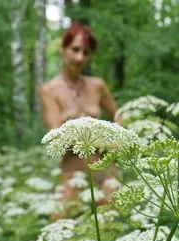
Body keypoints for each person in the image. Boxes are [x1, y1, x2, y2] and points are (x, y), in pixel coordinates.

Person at [38, 21, 120, 219]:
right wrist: (100, 139)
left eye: (86, 52)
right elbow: (56, 135)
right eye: (75, 50)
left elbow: (118, 115)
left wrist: (117, 140)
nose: (80, 57)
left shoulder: (98, 86)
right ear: (63, 49)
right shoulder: (49, 90)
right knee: (61, 233)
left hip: (107, 173)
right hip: (73, 175)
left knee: (107, 232)